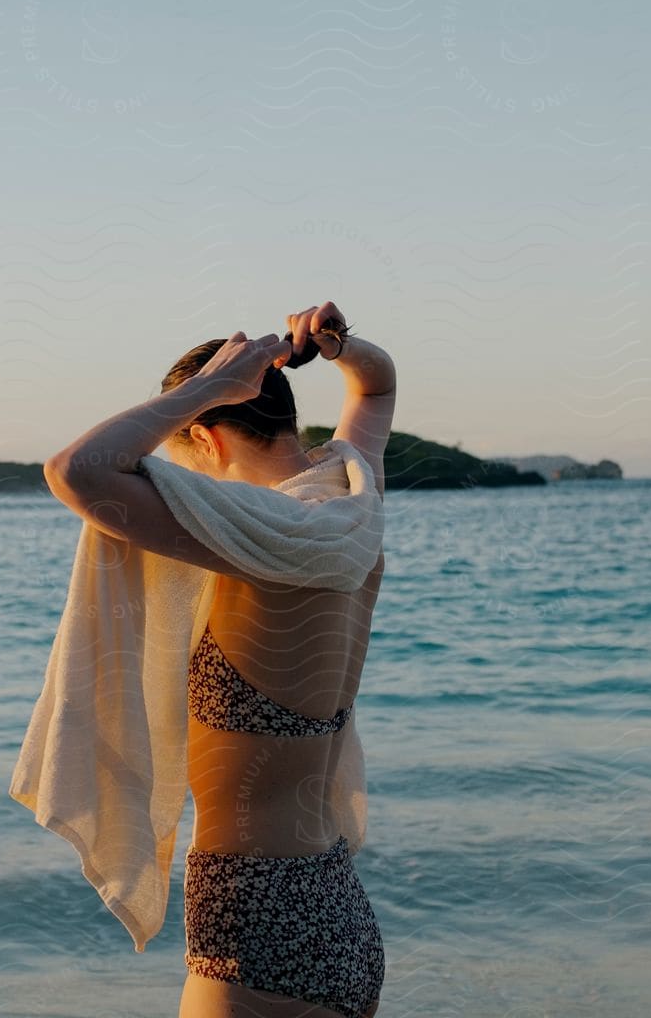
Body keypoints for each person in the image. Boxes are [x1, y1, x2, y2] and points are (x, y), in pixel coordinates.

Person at [43, 302, 395, 1018]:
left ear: (202, 435)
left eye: (176, 460)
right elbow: (378, 390)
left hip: (256, 925)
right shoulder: (353, 499)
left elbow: (76, 471)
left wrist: (204, 385)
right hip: (339, 912)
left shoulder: (264, 540)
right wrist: (339, 347)